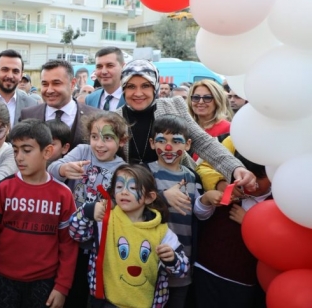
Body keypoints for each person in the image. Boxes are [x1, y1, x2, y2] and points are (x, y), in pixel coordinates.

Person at [115, 59, 256, 191]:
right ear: (123, 89)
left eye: (145, 86)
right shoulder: (114, 119)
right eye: (131, 86)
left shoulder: (174, 106)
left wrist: (235, 168)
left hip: (180, 190)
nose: (138, 93)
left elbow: (203, 142)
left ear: (155, 87)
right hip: (131, 194)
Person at [0, 119, 78, 308]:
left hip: (44, 282)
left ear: (47, 152)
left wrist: (62, 286)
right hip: (4, 280)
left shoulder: (63, 194)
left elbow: (68, 244)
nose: (19, 157)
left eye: (27, 150)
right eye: (15, 150)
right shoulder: (4, 188)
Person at [68, 164, 189, 308]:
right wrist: (87, 212)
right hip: (105, 303)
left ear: (149, 197)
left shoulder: (162, 232)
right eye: (119, 187)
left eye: (132, 188)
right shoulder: (104, 219)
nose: (124, 192)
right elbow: (76, 233)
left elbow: (183, 270)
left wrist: (172, 259)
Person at [48, 111, 129, 308]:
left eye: (107, 138)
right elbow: (52, 169)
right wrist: (63, 169)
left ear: (122, 141)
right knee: (68, 287)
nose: (99, 144)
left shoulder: (122, 169)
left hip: (96, 243)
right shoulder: (82, 151)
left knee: (88, 292)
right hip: (68, 235)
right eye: (94, 137)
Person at [146, 115, 222, 307]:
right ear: (152, 143)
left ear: (187, 145)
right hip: (148, 260)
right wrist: (163, 196)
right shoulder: (144, 173)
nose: (168, 147)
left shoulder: (192, 177)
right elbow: (134, 204)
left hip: (182, 260)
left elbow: (199, 214)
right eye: (162, 141)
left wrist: (206, 200)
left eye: (176, 141)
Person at [194, 137, 271, 308]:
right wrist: (206, 199)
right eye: (247, 177)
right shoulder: (226, 187)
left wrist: (249, 222)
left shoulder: (276, 203)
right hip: (206, 269)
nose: (252, 184)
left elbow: (274, 244)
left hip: (242, 281)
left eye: (260, 178)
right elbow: (200, 215)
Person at [20, 59, 98, 153]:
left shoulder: (95, 116)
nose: (49, 90)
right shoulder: (28, 115)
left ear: (72, 83)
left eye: (56, 83)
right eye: (45, 84)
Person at [0, 49, 37, 127]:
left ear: (21, 75)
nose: (10, 76)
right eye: (5, 70)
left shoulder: (32, 104)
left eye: (15, 71)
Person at [85, 47, 126, 111]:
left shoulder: (133, 98)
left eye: (110, 65)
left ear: (123, 67)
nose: (104, 71)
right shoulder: (90, 99)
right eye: (99, 66)